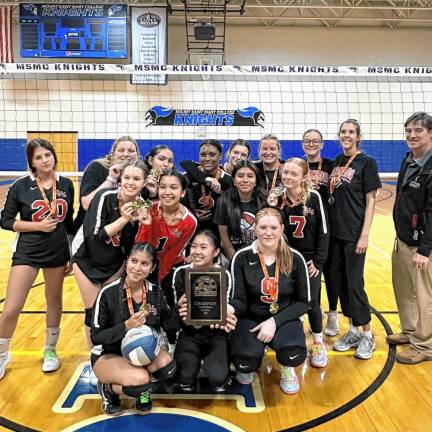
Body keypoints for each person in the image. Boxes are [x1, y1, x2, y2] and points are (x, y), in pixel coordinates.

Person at [0, 138, 74, 378]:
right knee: (11, 308)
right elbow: (6, 221)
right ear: (31, 162)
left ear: (54, 155)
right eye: (38, 157)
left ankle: (50, 349)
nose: (45, 160)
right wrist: (37, 226)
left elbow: (69, 223)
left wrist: (71, 252)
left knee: (54, 299)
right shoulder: (21, 186)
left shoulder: (66, 185)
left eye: (48, 155)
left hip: (57, 251)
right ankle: (2, 353)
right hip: (28, 252)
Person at [91, 242, 179, 415]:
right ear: (126, 262)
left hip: (143, 351)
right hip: (110, 353)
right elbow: (97, 337)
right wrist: (126, 326)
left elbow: (169, 325)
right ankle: (109, 389)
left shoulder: (156, 293)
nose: (137, 268)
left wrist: (182, 312)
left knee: (167, 366)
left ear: (152, 267)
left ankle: (141, 388)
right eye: (134, 261)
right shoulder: (108, 293)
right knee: (141, 380)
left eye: (144, 264)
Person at [230, 207, 310, 394]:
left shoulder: (294, 257)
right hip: (251, 317)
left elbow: (303, 303)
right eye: (263, 227)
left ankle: (287, 368)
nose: (268, 232)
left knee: (293, 351)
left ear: (282, 228)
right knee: (244, 360)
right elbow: (239, 300)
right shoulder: (241, 257)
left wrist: (274, 322)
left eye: (273, 227)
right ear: (255, 229)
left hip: (283, 316)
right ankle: (252, 356)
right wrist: (227, 309)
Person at [72, 160, 148, 349]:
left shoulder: (142, 207)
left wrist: (141, 223)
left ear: (144, 183)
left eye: (136, 179)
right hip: (87, 259)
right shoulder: (105, 197)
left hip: (113, 263)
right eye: (127, 177)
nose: (131, 182)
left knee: (112, 310)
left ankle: (113, 353)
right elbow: (95, 236)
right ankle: (94, 357)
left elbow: (132, 246)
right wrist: (125, 219)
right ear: (120, 179)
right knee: (93, 312)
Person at [327, 119, 381, 360]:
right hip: (335, 235)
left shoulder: (367, 162)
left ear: (359, 137)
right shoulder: (338, 161)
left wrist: (365, 235)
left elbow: (371, 201)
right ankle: (353, 331)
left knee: (355, 284)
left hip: (354, 234)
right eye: (343, 132)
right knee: (341, 284)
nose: (346, 135)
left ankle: (368, 334)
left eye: (351, 132)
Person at [271, 157, 329, 367]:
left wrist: (319, 261)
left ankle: (318, 341)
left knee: (311, 302)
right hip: (286, 259)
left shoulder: (313, 197)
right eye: (285, 172)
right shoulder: (277, 198)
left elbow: (324, 231)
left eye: (294, 174)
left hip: (310, 260)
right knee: (285, 300)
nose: (287, 177)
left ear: (304, 177)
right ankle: (287, 340)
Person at [389, 111, 432, 364]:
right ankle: (410, 331)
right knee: (405, 291)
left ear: (430, 134)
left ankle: (425, 346)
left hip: (422, 245)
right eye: (408, 131)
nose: (412, 135)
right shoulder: (408, 160)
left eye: (418, 130)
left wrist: (425, 249)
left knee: (424, 295)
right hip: (403, 238)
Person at [174, 230, 237, 392]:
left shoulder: (225, 275)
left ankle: (214, 364)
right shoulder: (180, 273)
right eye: (193, 246)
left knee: (218, 379)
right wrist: (181, 309)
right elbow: (177, 314)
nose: (197, 251)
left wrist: (225, 317)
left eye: (203, 247)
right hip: (189, 332)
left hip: (215, 333)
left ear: (216, 251)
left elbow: (225, 309)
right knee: (184, 378)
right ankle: (192, 362)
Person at [135, 170, 198, 309]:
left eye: (173, 187)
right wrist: (146, 225)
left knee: (166, 300)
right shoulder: (149, 208)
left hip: (170, 266)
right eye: (163, 187)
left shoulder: (190, 221)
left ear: (183, 192)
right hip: (144, 259)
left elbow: (173, 254)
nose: (167, 192)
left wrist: (157, 281)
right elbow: (140, 245)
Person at [301, 130, 337, 336]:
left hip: (326, 228)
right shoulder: (297, 165)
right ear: (302, 144)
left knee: (330, 274)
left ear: (322, 144)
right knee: (311, 276)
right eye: (307, 141)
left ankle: (333, 314)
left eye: (315, 141)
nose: (311, 144)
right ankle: (317, 310)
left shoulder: (331, 166)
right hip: (306, 232)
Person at [73, 136, 140, 232]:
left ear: (137, 156)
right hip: (89, 230)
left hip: (121, 233)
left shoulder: (139, 173)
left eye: (131, 151)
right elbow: (86, 205)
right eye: (121, 150)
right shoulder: (97, 167)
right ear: (112, 155)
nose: (126, 154)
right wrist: (111, 179)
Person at [213, 161, 266, 261]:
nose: (245, 180)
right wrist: (236, 263)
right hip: (233, 253)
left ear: (256, 181)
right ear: (234, 180)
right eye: (240, 176)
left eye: (250, 176)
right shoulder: (223, 201)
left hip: (261, 254)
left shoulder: (265, 200)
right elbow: (225, 240)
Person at [180, 140, 232, 233]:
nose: (207, 159)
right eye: (203, 155)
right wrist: (193, 213)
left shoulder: (227, 180)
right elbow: (180, 203)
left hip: (217, 229)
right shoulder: (188, 176)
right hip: (191, 226)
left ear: (220, 156)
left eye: (212, 155)